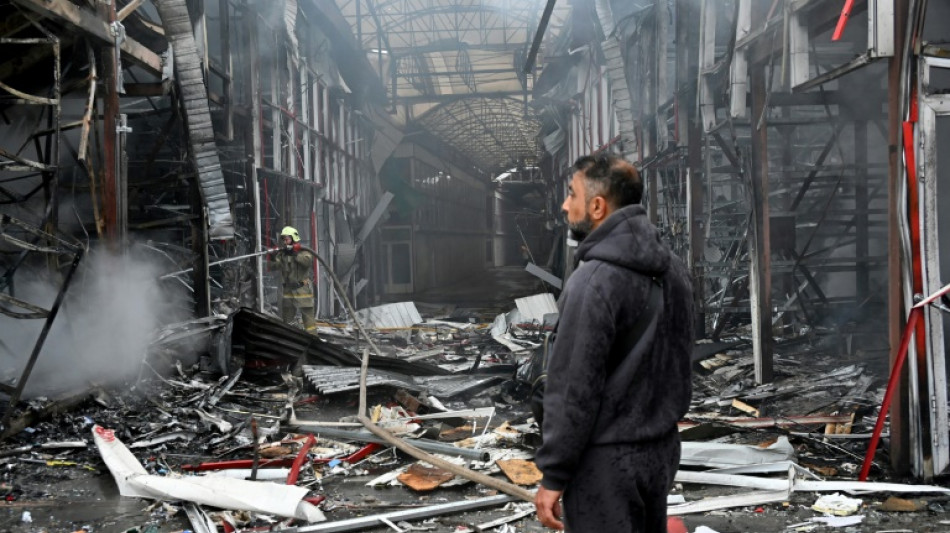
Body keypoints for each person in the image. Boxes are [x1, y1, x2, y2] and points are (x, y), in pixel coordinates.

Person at [534, 153, 694, 532]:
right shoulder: (675, 270)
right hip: (660, 453)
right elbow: (680, 362)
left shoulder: (593, 282)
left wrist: (554, 474)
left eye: (571, 194)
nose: (564, 205)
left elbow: (574, 388)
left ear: (597, 206)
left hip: (605, 466)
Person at [268, 226, 316, 331]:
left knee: (309, 324)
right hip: (288, 291)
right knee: (287, 323)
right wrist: (272, 257)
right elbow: (274, 266)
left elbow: (307, 262)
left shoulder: (304, 252)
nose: (285, 242)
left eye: (287, 239)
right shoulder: (283, 254)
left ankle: (313, 339)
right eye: (284, 240)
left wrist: (295, 254)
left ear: (294, 238)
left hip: (303, 290)